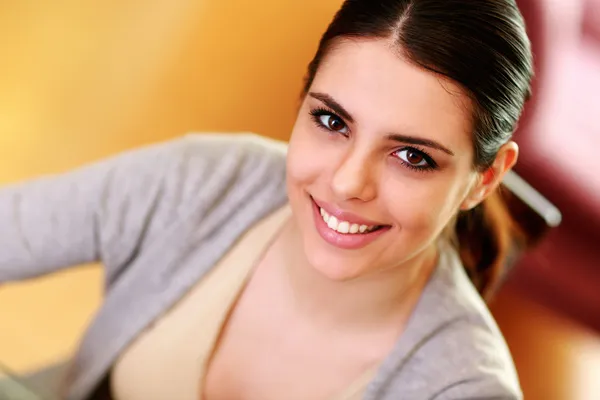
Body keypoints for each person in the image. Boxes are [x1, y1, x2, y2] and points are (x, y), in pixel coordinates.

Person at [0, 0, 533, 399]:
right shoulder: (207, 182)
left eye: (413, 157)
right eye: (331, 121)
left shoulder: (460, 387)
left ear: (484, 179)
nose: (348, 183)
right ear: (303, 99)